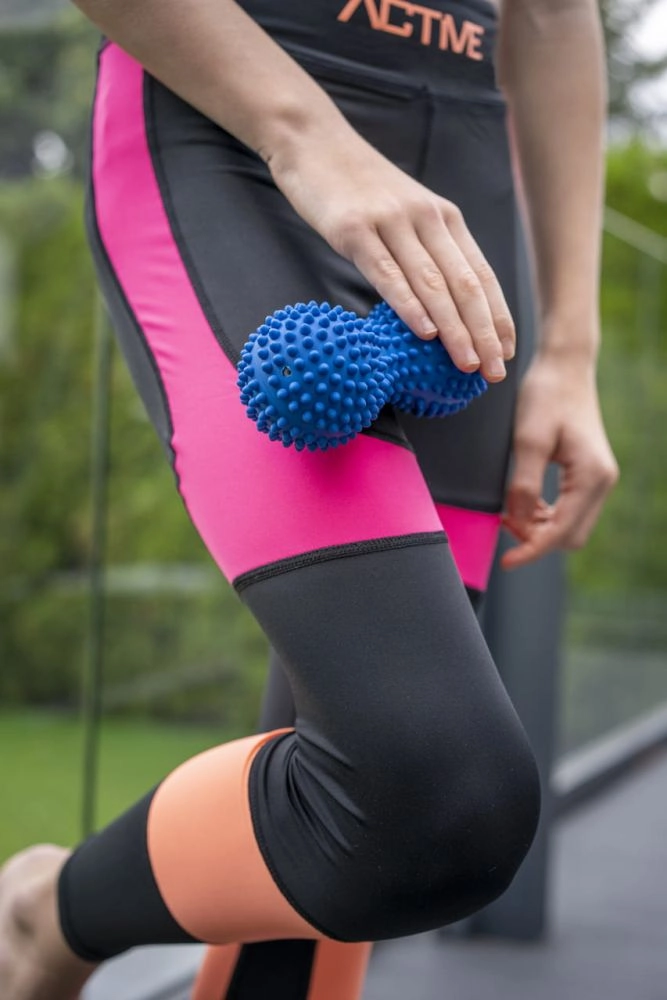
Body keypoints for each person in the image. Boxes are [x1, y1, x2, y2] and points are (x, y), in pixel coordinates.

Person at [0, 0, 618, 998]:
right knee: (427, 795)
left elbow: (551, 12)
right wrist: (305, 138)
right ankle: (48, 915)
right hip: (235, 121)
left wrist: (570, 351)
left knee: (342, 814)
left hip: (461, 181)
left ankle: (50, 913)